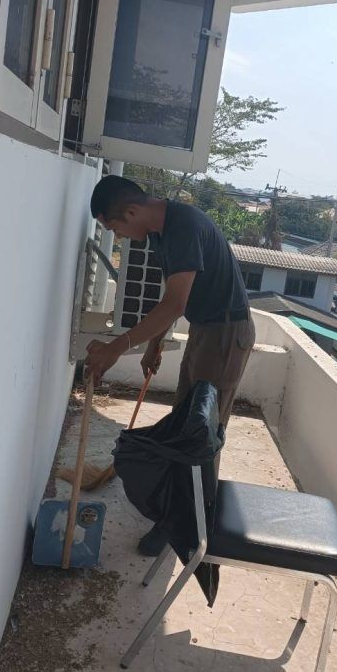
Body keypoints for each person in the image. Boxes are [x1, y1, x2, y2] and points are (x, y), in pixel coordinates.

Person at [85, 176, 255, 555]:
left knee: (202, 435)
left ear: (132, 212)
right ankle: (177, 513)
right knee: (184, 424)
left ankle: (193, 527)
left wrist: (117, 347)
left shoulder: (184, 226)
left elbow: (175, 303)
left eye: (116, 229)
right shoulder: (161, 235)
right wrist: (153, 345)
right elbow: (174, 299)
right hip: (205, 330)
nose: (121, 237)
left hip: (226, 335)